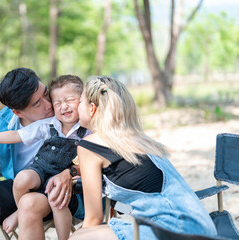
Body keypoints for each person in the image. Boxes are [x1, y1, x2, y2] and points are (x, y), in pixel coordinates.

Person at [69, 76, 217, 240]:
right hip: (201, 228)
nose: (77, 106)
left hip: (173, 231)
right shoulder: (137, 139)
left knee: (80, 237)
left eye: (80, 101)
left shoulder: (89, 146)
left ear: (92, 108)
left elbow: (93, 218)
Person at [0, 68, 83, 240]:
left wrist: (71, 172)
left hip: (62, 188)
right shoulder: (3, 122)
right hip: (21, 186)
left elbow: (99, 150)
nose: (49, 104)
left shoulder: (67, 111)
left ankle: (20, 212)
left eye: (46, 94)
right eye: (38, 103)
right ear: (17, 112)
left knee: (28, 203)